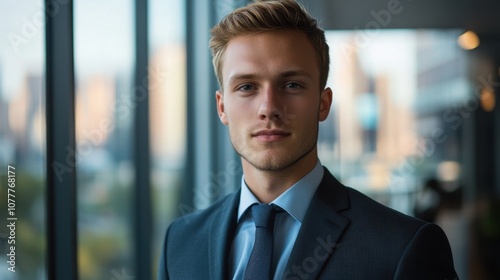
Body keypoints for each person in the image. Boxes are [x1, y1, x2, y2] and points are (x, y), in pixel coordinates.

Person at [157, 0, 458, 279]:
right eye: (247, 87)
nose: (269, 108)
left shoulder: (402, 247)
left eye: (291, 84)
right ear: (222, 107)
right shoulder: (180, 242)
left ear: (323, 103)